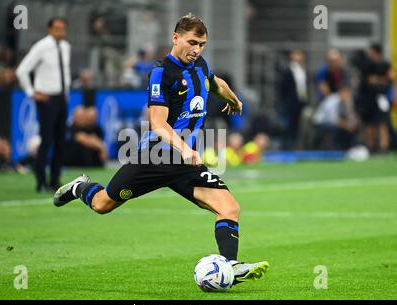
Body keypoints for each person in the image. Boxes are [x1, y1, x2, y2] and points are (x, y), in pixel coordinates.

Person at [53, 13, 269, 285]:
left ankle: (229, 265)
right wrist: (184, 148)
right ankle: (79, 187)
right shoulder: (161, 73)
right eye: (192, 42)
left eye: (202, 44)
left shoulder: (200, 64)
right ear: (175, 37)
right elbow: (157, 122)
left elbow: (215, 84)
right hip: (155, 157)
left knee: (229, 207)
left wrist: (234, 99)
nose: (197, 49)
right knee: (102, 204)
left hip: (185, 164)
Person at [16, 17, 71, 192]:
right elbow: (22, 70)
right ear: (49, 29)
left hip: (61, 97)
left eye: (62, 28)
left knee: (60, 141)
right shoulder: (41, 46)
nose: (59, 31)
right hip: (46, 98)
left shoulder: (65, 47)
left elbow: (65, 72)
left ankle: (55, 180)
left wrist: (66, 92)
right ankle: (40, 180)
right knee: (46, 140)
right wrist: (31, 92)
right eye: (56, 28)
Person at [280, 49, 308, 150]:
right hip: (291, 102)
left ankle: (297, 146)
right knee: (289, 126)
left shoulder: (303, 70)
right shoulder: (288, 70)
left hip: (301, 101)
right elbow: (283, 87)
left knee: (299, 126)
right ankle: (287, 147)